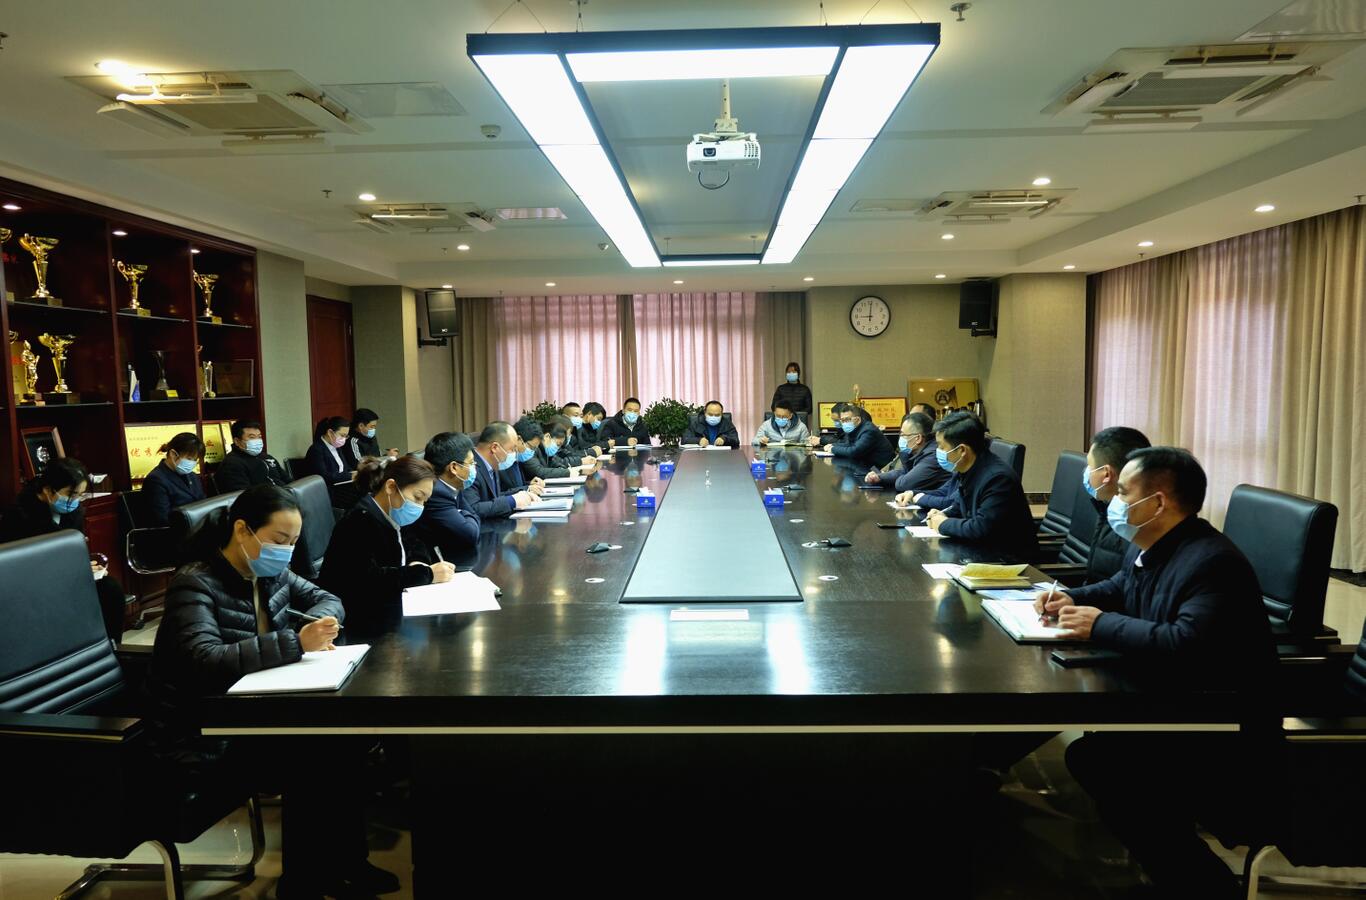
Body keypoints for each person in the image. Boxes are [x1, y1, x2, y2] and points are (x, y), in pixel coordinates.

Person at [1036, 447, 1275, 898]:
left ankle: (1203, 884)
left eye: (1124, 493)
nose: (1115, 501)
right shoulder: (1152, 544)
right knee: (1094, 757)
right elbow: (1122, 586)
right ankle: (1171, 867)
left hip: (1220, 727)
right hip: (1172, 702)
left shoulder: (1211, 561)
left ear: (1158, 502)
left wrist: (1099, 625)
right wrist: (1072, 597)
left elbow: (1185, 642)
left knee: (1110, 766)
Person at [142, 484, 399, 898]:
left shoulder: (270, 571)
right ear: (242, 530)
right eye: (280, 540)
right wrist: (296, 642)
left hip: (254, 709)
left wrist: (320, 622)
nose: (287, 551)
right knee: (311, 754)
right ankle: (304, 882)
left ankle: (348, 862)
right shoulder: (195, 583)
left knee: (345, 741)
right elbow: (203, 660)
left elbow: (327, 597)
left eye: (294, 542)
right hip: (199, 731)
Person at [0, 457, 129, 642]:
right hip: (33, 584)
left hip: (67, 576)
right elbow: (20, 567)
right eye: (71, 494)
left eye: (80, 495)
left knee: (110, 589)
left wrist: (87, 566)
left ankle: (111, 647)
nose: (75, 501)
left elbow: (74, 551)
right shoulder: (19, 516)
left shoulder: (73, 513)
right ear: (47, 490)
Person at [319, 456, 454, 627]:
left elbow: (416, 543)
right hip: (356, 619)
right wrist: (426, 574)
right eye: (417, 497)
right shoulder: (358, 522)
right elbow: (368, 582)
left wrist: (417, 562)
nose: (419, 506)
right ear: (391, 487)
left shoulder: (395, 513)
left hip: (388, 608)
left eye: (424, 501)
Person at [922, 411, 1037, 561]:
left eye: (941, 447)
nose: (938, 452)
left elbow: (980, 528)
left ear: (962, 450)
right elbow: (959, 505)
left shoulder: (998, 478)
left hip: (1007, 562)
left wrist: (943, 524)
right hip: (981, 552)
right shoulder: (968, 468)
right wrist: (944, 514)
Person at [1080, 426, 1152, 582]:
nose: (1086, 472)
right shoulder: (1107, 509)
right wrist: (1070, 594)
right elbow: (1116, 583)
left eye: (1090, 466)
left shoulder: (1132, 522)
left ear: (1106, 474)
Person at [414, 431, 482, 559]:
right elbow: (470, 535)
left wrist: (462, 513)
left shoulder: (454, 485)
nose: (474, 467)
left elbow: (475, 517)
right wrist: (465, 513)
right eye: (471, 463)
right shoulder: (436, 492)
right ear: (454, 467)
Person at [463, 421, 536, 520]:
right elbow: (472, 509)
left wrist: (523, 492)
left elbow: (495, 497)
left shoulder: (493, 463)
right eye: (512, 449)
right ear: (494, 447)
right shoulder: (469, 468)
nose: (514, 454)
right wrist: (511, 501)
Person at [874, 412, 950, 495]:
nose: (901, 438)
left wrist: (905, 475)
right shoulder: (918, 452)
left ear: (918, 438)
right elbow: (904, 471)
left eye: (903, 435)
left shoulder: (932, 456)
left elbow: (904, 484)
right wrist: (879, 477)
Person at [141, 432, 206, 526]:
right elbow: (162, 519)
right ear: (173, 454)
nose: (192, 463)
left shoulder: (193, 476)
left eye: (195, 460)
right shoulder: (156, 480)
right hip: (175, 531)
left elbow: (204, 503)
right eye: (189, 458)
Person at [216, 420, 290, 491]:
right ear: (237, 441)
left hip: (285, 496)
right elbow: (243, 494)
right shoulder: (232, 463)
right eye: (252, 437)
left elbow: (288, 480)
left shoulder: (266, 457)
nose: (257, 440)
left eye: (259, 437)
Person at [524, 416, 596, 479]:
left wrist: (575, 471)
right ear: (547, 437)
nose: (558, 448)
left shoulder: (545, 450)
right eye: (558, 444)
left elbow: (556, 463)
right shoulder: (532, 448)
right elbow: (539, 472)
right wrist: (567, 472)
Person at [824, 405, 895, 469]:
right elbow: (849, 444)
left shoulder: (868, 430)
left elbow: (854, 451)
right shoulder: (855, 428)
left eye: (847, 419)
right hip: (867, 465)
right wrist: (832, 445)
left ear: (858, 419)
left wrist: (833, 449)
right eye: (842, 420)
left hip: (881, 469)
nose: (844, 423)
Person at [503, 418, 549, 492]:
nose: (532, 452)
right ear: (519, 439)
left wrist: (530, 484)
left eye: (535, 449)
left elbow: (517, 486)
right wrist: (527, 488)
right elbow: (499, 494)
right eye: (532, 447)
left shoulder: (517, 459)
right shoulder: (503, 462)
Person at [305, 416, 353, 481]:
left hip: (341, 484)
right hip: (327, 486)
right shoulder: (316, 450)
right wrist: (350, 476)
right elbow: (323, 476)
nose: (344, 439)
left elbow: (345, 468)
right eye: (342, 435)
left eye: (346, 436)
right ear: (330, 432)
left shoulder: (337, 447)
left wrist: (355, 473)